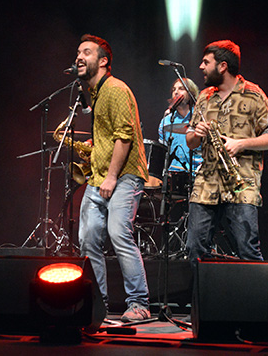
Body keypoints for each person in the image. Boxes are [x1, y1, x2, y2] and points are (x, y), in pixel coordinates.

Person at [75, 34, 151, 322]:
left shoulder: (116, 89)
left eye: (86, 52)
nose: (79, 57)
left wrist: (111, 176)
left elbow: (124, 136)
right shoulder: (95, 94)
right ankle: (98, 304)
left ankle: (139, 303)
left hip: (123, 176)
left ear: (103, 61)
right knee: (88, 239)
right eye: (78, 53)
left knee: (119, 233)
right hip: (99, 177)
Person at [185, 40, 268, 265]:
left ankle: (253, 290)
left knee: (247, 250)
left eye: (206, 62)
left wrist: (241, 144)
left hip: (242, 185)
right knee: (195, 249)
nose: (201, 67)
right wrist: (197, 134)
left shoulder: (254, 94)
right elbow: (190, 141)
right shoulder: (204, 97)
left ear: (222, 66)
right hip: (206, 185)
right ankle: (206, 289)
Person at [158, 77, 203, 198]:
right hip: (174, 177)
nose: (176, 92)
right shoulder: (166, 122)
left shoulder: (200, 117)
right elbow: (162, 153)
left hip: (199, 175)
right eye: (174, 89)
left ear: (191, 93)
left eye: (181, 89)